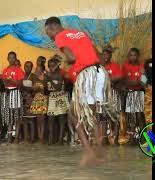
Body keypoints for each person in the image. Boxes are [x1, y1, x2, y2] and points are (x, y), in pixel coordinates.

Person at [45, 17, 112, 165]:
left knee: (73, 114)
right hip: (99, 72)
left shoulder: (60, 36)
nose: (48, 36)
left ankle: (88, 152)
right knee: (91, 114)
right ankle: (100, 151)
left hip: (86, 74)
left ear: (52, 28)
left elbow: (72, 57)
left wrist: (63, 60)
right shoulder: (80, 33)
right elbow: (98, 55)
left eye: (47, 32)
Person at [100, 45, 123, 145]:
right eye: (103, 54)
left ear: (110, 55)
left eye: (107, 54)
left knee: (115, 115)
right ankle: (104, 138)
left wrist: (107, 81)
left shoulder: (115, 66)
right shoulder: (99, 67)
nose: (105, 56)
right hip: (102, 94)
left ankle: (116, 138)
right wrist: (109, 80)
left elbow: (119, 77)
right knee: (103, 116)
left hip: (113, 93)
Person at [123, 48, 145, 145]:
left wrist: (135, 82)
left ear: (138, 56)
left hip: (139, 93)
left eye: (134, 55)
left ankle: (143, 137)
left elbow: (143, 81)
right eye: (131, 55)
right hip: (129, 93)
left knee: (139, 115)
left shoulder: (141, 67)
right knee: (130, 116)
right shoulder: (125, 66)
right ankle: (131, 137)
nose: (133, 57)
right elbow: (124, 80)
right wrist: (133, 82)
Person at [1, 52, 25, 144]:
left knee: (17, 116)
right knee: (9, 117)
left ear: (15, 59)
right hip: (8, 93)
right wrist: (6, 82)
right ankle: (9, 137)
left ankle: (16, 138)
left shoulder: (18, 70)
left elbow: (20, 84)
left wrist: (11, 81)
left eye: (13, 58)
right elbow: (4, 83)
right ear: (7, 58)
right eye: (10, 58)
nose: (11, 59)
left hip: (15, 93)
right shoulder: (5, 70)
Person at [45, 57, 69, 145]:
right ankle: (51, 138)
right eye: (50, 66)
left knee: (61, 119)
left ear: (56, 66)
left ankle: (60, 139)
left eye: (53, 66)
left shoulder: (59, 75)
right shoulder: (47, 75)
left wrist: (49, 79)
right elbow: (45, 89)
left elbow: (58, 88)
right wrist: (46, 80)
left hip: (60, 98)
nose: (51, 68)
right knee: (50, 119)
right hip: (51, 98)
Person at [30, 65, 48, 144]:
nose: (36, 71)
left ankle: (42, 137)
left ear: (43, 70)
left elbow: (46, 90)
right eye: (36, 69)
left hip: (44, 99)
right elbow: (33, 92)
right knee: (38, 120)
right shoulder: (34, 78)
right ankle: (40, 137)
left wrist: (40, 87)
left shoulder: (46, 78)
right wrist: (35, 89)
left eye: (38, 69)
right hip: (37, 100)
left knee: (43, 119)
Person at [20, 61, 37, 144]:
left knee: (32, 120)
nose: (28, 68)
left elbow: (34, 88)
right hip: (23, 99)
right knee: (25, 120)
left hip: (30, 99)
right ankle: (26, 138)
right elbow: (19, 86)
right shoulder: (22, 75)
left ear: (32, 67)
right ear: (24, 67)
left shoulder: (33, 76)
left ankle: (32, 138)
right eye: (26, 66)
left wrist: (25, 88)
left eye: (30, 66)